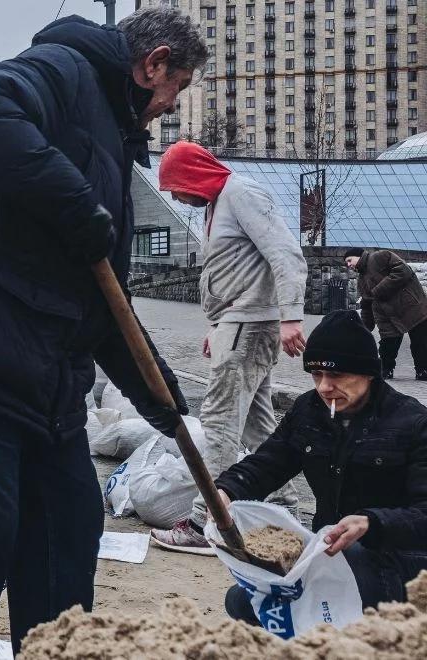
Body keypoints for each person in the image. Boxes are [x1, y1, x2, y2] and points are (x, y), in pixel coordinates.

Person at [0, 8, 207, 658]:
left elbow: (104, 305)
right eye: (178, 89)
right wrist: (73, 202)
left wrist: (163, 404)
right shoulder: (64, 70)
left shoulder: (114, 140)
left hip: (49, 385)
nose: (169, 107)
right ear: (155, 63)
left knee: (67, 535)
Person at [213, 310, 427, 624]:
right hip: (329, 555)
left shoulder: (413, 423)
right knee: (242, 602)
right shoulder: (308, 410)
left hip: (400, 563)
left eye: (336, 376)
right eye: (316, 375)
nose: (324, 387)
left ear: (368, 373)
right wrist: (227, 489)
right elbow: (269, 462)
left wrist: (372, 523)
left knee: (344, 581)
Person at [150, 141, 308, 554]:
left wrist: (291, 316)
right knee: (258, 425)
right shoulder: (219, 202)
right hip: (240, 324)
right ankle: (284, 507)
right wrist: (219, 324)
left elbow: (286, 254)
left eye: (175, 187)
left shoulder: (241, 193)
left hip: (251, 324)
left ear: (192, 176)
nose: (175, 197)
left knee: (219, 420)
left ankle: (208, 521)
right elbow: (235, 270)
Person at [346, 247, 427, 381]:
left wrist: (378, 290)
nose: (348, 265)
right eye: (346, 263)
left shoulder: (381, 256)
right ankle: (386, 370)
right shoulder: (361, 281)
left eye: (349, 260)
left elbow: (403, 271)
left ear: (359, 255)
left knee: (421, 342)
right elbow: (366, 307)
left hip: (411, 307)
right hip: (387, 318)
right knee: (387, 346)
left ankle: (422, 371)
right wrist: (364, 329)